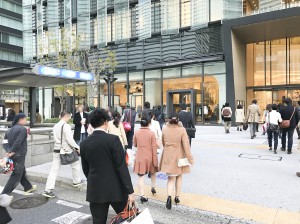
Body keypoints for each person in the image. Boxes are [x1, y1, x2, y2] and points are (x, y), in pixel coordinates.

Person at [80, 108, 135, 224]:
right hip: (116, 189)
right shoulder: (113, 140)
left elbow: (86, 169)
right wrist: (130, 191)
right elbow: (121, 167)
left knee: (98, 221)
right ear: (105, 122)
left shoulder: (84, 143)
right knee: (127, 219)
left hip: (95, 189)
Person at [43, 111, 84, 198]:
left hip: (57, 150)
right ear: (66, 116)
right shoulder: (66, 126)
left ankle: (48, 189)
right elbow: (70, 140)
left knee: (54, 170)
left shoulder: (55, 126)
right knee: (76, 164)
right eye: (69, 117)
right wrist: (77, 147)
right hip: (66, 150)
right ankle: (76, 181)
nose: (69, 119)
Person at [160, 112, 193, 210]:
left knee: (170, 178)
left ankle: (169, 197)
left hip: (168, 156)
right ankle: (177, 197)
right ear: (178, 120)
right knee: (179, 176)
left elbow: (163, 142)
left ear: (168, 119)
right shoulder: (182, 130)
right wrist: (190, 158)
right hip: (179, 157)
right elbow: (186, 146)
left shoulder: (165, 129)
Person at [2, 114, 37, 195]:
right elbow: (18, 142)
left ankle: (28, 187)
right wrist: (12, 151)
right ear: (21, 120)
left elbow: (4, 143)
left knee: (21, 171)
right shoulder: (22, 129)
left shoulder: (9, 130)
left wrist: (8, 151)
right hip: (19, 154)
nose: (26, 121)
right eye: (25, 119)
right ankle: (4, 194)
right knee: (16, 174)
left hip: (13, 155)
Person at [133, 116, 158, 203]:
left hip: (140, 156)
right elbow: (154, 148)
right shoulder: (152, 133)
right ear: (149, 123)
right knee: (153, 172)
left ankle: (142, 195)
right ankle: (153, 187)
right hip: (150, 156)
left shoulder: (137, 132)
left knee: (140, 176)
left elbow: (135, 144)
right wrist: (155, 161)